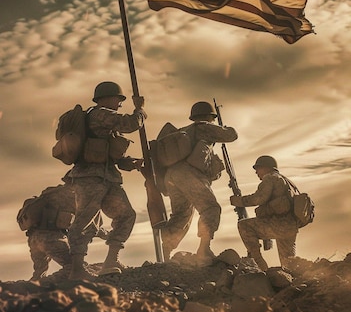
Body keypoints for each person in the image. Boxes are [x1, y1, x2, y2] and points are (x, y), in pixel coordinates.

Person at [66, 81, 146, 279]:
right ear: (107, 98)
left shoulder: (106, 121)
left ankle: (111, 260)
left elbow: (114, 158)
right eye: (118, 99)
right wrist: (140, 109)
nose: (120, 103)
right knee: (83, 222)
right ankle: (76, 270)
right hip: (90, 178)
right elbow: (130, 124)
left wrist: (131, 163)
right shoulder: (99, 114)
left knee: (126, 215)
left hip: (108, 179)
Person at [161, 101, 238, 264]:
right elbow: (232, 135)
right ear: (210, 117)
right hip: (189, 175)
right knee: (210, 207)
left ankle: (165, 253)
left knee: (182, 215)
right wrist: (223, 126)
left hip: (172, 175)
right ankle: (204, 249)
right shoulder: (204, 127)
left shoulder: (184, 131)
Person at [17, 183, 107, 281]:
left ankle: (33, 289)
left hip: (33, 239)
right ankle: (57, 285)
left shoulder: (48, 195)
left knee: (39, 272)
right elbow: (86, 220)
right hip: (51, 238)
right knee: (75, 266)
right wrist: (105, 234)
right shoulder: (70, 196)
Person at [230, 155, 299, 271]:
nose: (256, 172)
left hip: (278, 224)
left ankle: (259, 264)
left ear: (266, 168)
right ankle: (292, 281)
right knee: (288, 264)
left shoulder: (270, 178)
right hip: (290, 226)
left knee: (244, 225)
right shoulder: (287, 181)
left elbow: (259, 198)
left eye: (258, 168)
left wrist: (238, 201)